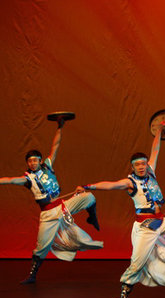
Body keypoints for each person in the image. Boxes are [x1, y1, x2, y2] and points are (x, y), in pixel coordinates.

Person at [76, 122, 165, 298]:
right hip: (145, 227)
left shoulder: (151, 174)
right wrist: (88, 187)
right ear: (132, 167)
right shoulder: (130, 182)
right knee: (137, 263)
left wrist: (158, 131)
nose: (141, 167)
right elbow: (111, 185)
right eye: (137, 165)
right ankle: (123, 296)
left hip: (162, 220)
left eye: (143, 163)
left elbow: (156, 149)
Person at [0, 117, 102, 284]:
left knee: (89, 196)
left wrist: (60, 127)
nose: (33, 163)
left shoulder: (47, 166)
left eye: (35, 160)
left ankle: (92, 217)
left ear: (40, 161)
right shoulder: (28, 179)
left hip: (63, 205)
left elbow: (55, 146)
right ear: (27, 163)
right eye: (30, 161)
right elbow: (10, 180)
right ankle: (32, 275)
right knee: (42, 246)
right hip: (49, 214)